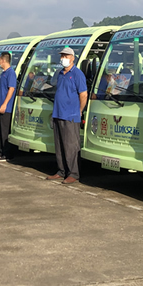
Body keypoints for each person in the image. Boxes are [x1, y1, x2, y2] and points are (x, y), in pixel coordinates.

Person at [46, 47, 87, 185]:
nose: (63, 58)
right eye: (62, 56)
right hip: (58, 113)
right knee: (59, 145)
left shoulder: (77, 74)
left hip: (71, 115)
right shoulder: (60, 73)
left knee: (71, 146)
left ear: (72, 58)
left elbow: (83, 94)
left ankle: (73, 173)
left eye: (66, 56)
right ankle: (61, 171)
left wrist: (79, 110)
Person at [0, 52, 17, 161]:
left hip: (5, 107)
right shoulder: (3, 73)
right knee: (0, 130)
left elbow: (11, 89)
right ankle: (2, 151)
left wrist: (5, 104)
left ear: (3, 60)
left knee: (5, 131)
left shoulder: (11, 73)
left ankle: (8, 154)